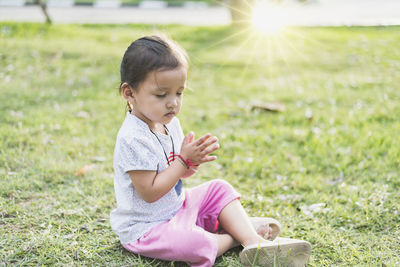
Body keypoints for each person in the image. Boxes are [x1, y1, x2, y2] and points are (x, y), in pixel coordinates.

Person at [110, 35, 311, 267]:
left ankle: (254, 241)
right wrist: (183, 162)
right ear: (129, 93)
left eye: (179, 93)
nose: (173, 103)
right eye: (161, 94)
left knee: (219, 188)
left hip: (178, 207)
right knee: (193, 243)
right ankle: (236, 237)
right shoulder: (133, 138)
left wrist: (189, 165)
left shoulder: (168, 122)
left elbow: (173, 172)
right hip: (148, 228)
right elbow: (150, 192)